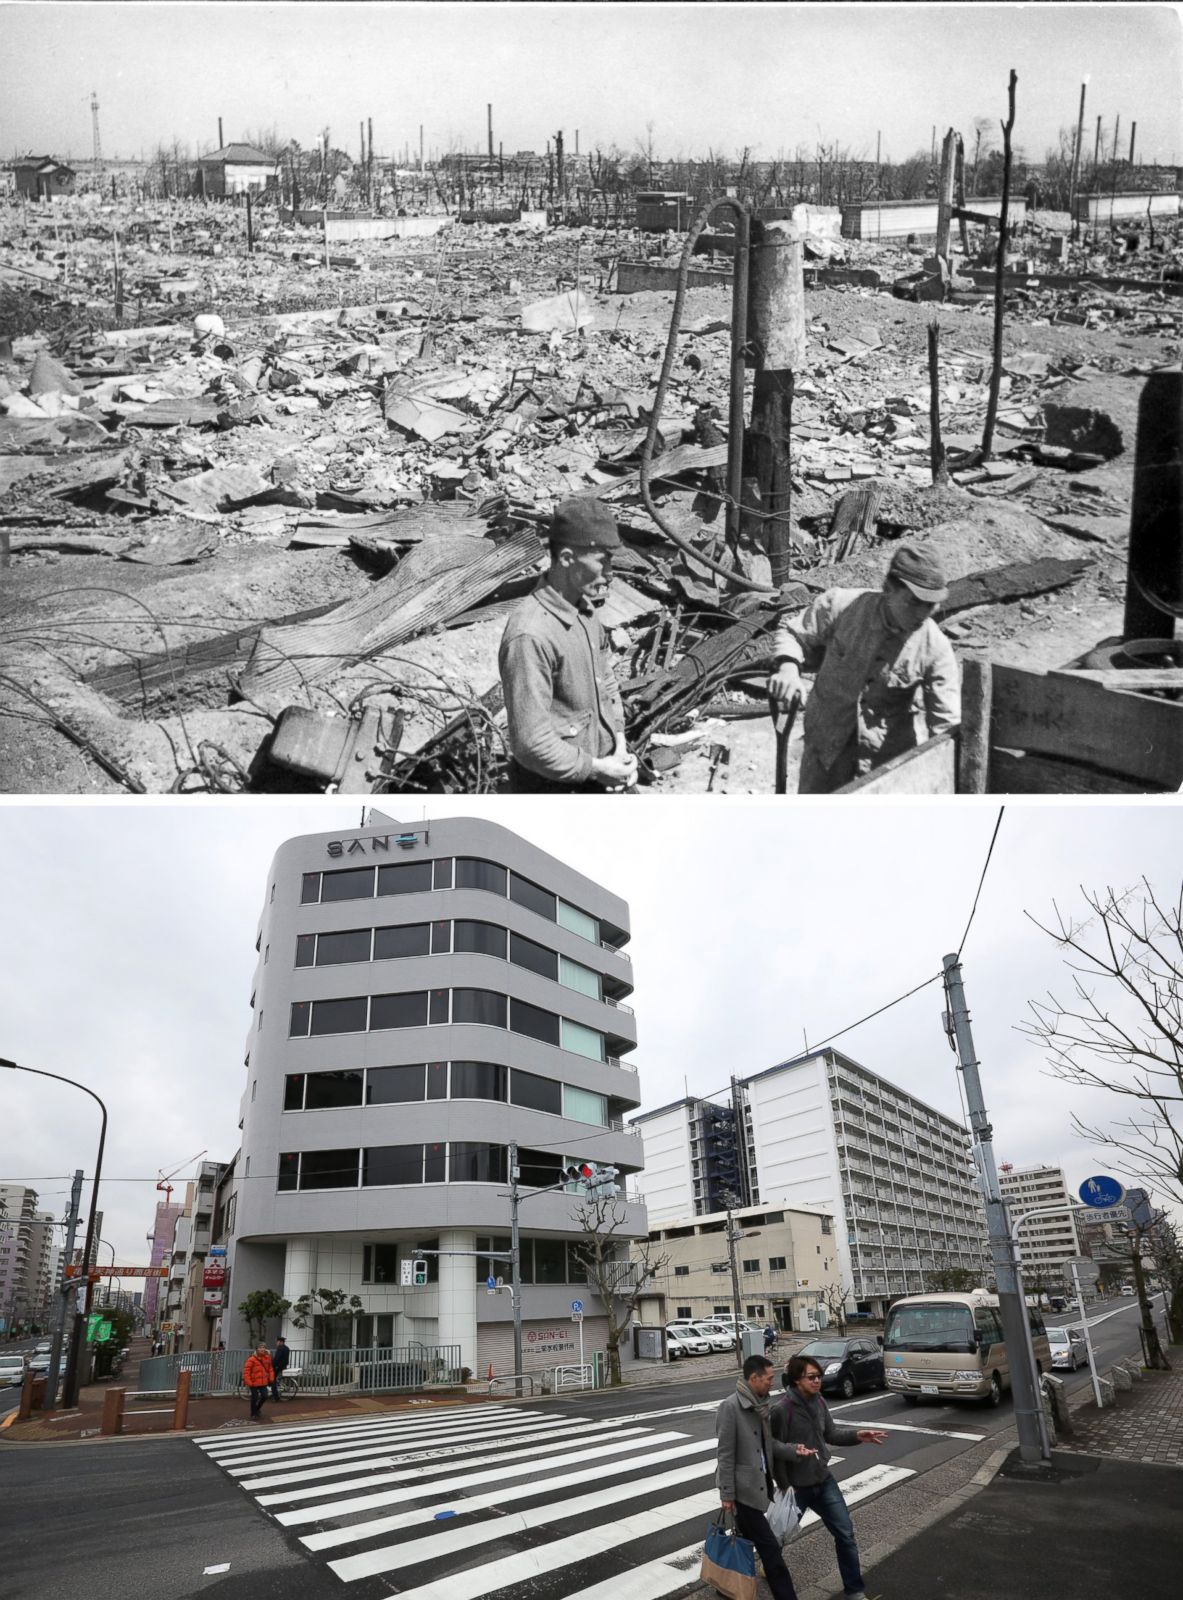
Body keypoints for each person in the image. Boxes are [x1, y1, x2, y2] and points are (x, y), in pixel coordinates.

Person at [767, 542, 961, 793]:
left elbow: (947, 726)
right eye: (914, 602)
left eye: (931, 604)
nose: (923, 613)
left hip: (886, 765)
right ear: (889, 588)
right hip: (826, 747)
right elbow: (793, 633)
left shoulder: (935, 647)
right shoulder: (842, 605)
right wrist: (788, 670)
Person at [499, 496, 637, 793]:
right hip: (554, 790)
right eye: (603, 561)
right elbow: (531, 743)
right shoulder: (531, 634)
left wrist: (620, 751)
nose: (611, 574)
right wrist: (598, 769)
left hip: (599, 773)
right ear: (566, 558)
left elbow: (607, 684)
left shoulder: (584, 611)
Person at [771, 1354, 889, 1600]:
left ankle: (855, 1592)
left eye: (820, 1377)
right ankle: (764, 1567)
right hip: (796, 1487)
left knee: (845, 1534)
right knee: (776, 1539)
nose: (817, 1381)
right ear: (795, 1380)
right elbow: (773, 1448)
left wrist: (859, 1435)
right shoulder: (782, 1410)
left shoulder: (820, 1402)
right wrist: (783, 1485)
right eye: (812, 1377)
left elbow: (831, 1434)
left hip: (823, 1480)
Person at [716, 1353, 817, 1600]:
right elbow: (725, 1455)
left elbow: (768, 1444)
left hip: (759, 1487)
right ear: (754, 1378)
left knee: (744, 1541)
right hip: (743, 1492)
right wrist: (727, 1495)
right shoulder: (731, 1407)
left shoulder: (760, 1405)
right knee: (771, 1551)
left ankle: (725, 1588)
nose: (772, 1382)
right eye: (769, 1378)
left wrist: (794, 1449)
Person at [243, 1343, 275, 1422]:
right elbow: (246, 1371)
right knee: (255, 1397)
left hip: (263, 1381)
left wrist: (271, 1378)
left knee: (265, 1396)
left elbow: (270, 1368)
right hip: (253, 1382)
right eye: (260, 1347)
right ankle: (253, 1413)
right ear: (257, 1349)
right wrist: (249, 1382)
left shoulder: (267, 1358)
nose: (262, 1349)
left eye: (263, 1347)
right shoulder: (252, 1359)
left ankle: (257, 1408)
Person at [270, 1334, 290, 1401]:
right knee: (278, 1380)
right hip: (283, 1367)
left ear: (280, 1342)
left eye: (277, 1341)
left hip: (278, 1367)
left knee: (273, 1381)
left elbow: (276, 1359)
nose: (276, 1343)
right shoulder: (286, 1348)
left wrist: (272, 1364)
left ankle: (275, 1397)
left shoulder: (280, 1348)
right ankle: (277, 1393)